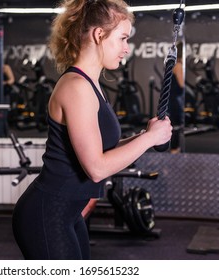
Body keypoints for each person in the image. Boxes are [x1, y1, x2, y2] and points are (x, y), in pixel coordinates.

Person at [11, 0, 172, 260]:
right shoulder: (77, 87)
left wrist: (146, 136)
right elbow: (96, 168)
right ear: (99, 34)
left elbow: (102, 150)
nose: (126, 49)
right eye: (122, 38)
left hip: (67, 214)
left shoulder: (90, 84)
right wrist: (150, 138)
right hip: (46, 215)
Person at [168, 41, 185, 154]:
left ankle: (175, 148)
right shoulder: (178, 65)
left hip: (173, 99)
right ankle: (174, 149)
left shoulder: (173, 64)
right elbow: (181, 84)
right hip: (175, 100)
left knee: (175, 125)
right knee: (176, 125)